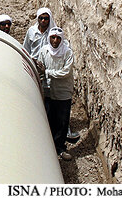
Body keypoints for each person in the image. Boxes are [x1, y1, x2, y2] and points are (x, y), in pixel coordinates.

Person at [39, 27, 75, 161]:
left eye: (58, 38)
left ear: (62, 39)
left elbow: (66, 72)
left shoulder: (67, 53)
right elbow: (40, 67)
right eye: (53, 38)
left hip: (62, 92)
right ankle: (48, 149)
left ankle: (60, 148)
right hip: (48, 91)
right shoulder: (44, 51)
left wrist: (47, 72)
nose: (55, 41)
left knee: (62, 121)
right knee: (49, 119)